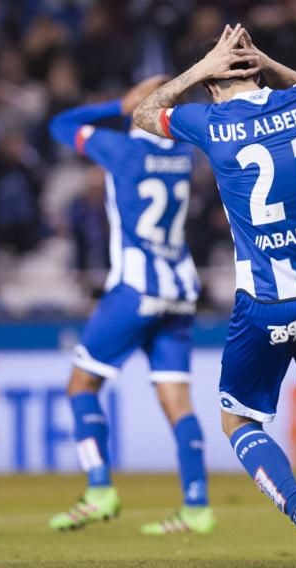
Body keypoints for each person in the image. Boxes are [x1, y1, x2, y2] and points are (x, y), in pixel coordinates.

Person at [132, 25, 296, 568]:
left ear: (215, 85)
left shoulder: (209, 122)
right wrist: (256, 57)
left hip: (266, 302)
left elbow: (144, 112)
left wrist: (200, 67)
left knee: (238, 421)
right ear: (260, 73)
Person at [46, 77, 214, 535]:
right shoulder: (184, 155)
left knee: (81, 386)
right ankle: (196, 505)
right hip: (179, 290)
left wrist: (114, 103)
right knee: (177, 401)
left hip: (135, 289)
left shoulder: (120, 151)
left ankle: (99, 489)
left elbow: (60, 125)